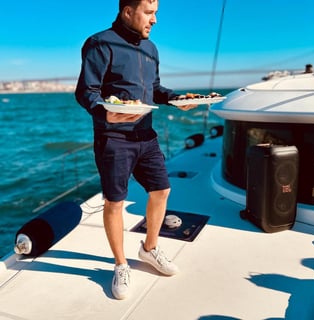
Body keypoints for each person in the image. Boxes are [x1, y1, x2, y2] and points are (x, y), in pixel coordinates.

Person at [75, 0, 197, 300]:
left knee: (161, 190)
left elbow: (154, 88)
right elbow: (85, 92)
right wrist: (106, 114)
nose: (154, 20)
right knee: (115, 202)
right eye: (149, 12)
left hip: (146, 134)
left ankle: (150, 248)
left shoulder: (151, 49)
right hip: (113, 138)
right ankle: (120, 265)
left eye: (156, 13)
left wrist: (177, 98)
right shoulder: (100, 43)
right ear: (127, 11)